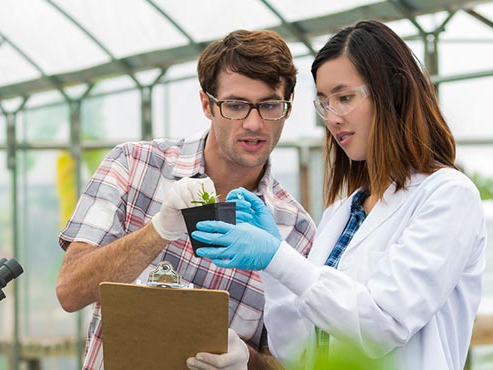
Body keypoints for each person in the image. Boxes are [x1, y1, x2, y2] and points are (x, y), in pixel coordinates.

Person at [189, 20, 487, 370]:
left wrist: (276, 258)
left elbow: (384, 325)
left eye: (344, 98)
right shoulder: (342, 214)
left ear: (393, 91)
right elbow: (297, 353)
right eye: (324, 103)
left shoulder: (447, 196)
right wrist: (274, 273)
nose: (332, 118)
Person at [54, 29, 316, 370]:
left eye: (269, 105)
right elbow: (70, 291)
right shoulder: (134, 166)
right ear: (207, 104)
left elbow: (289, 361)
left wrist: (247, 360)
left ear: (288, 107)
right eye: (235, 105)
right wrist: (158, 231)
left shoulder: (294, 229)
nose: (254, 123)